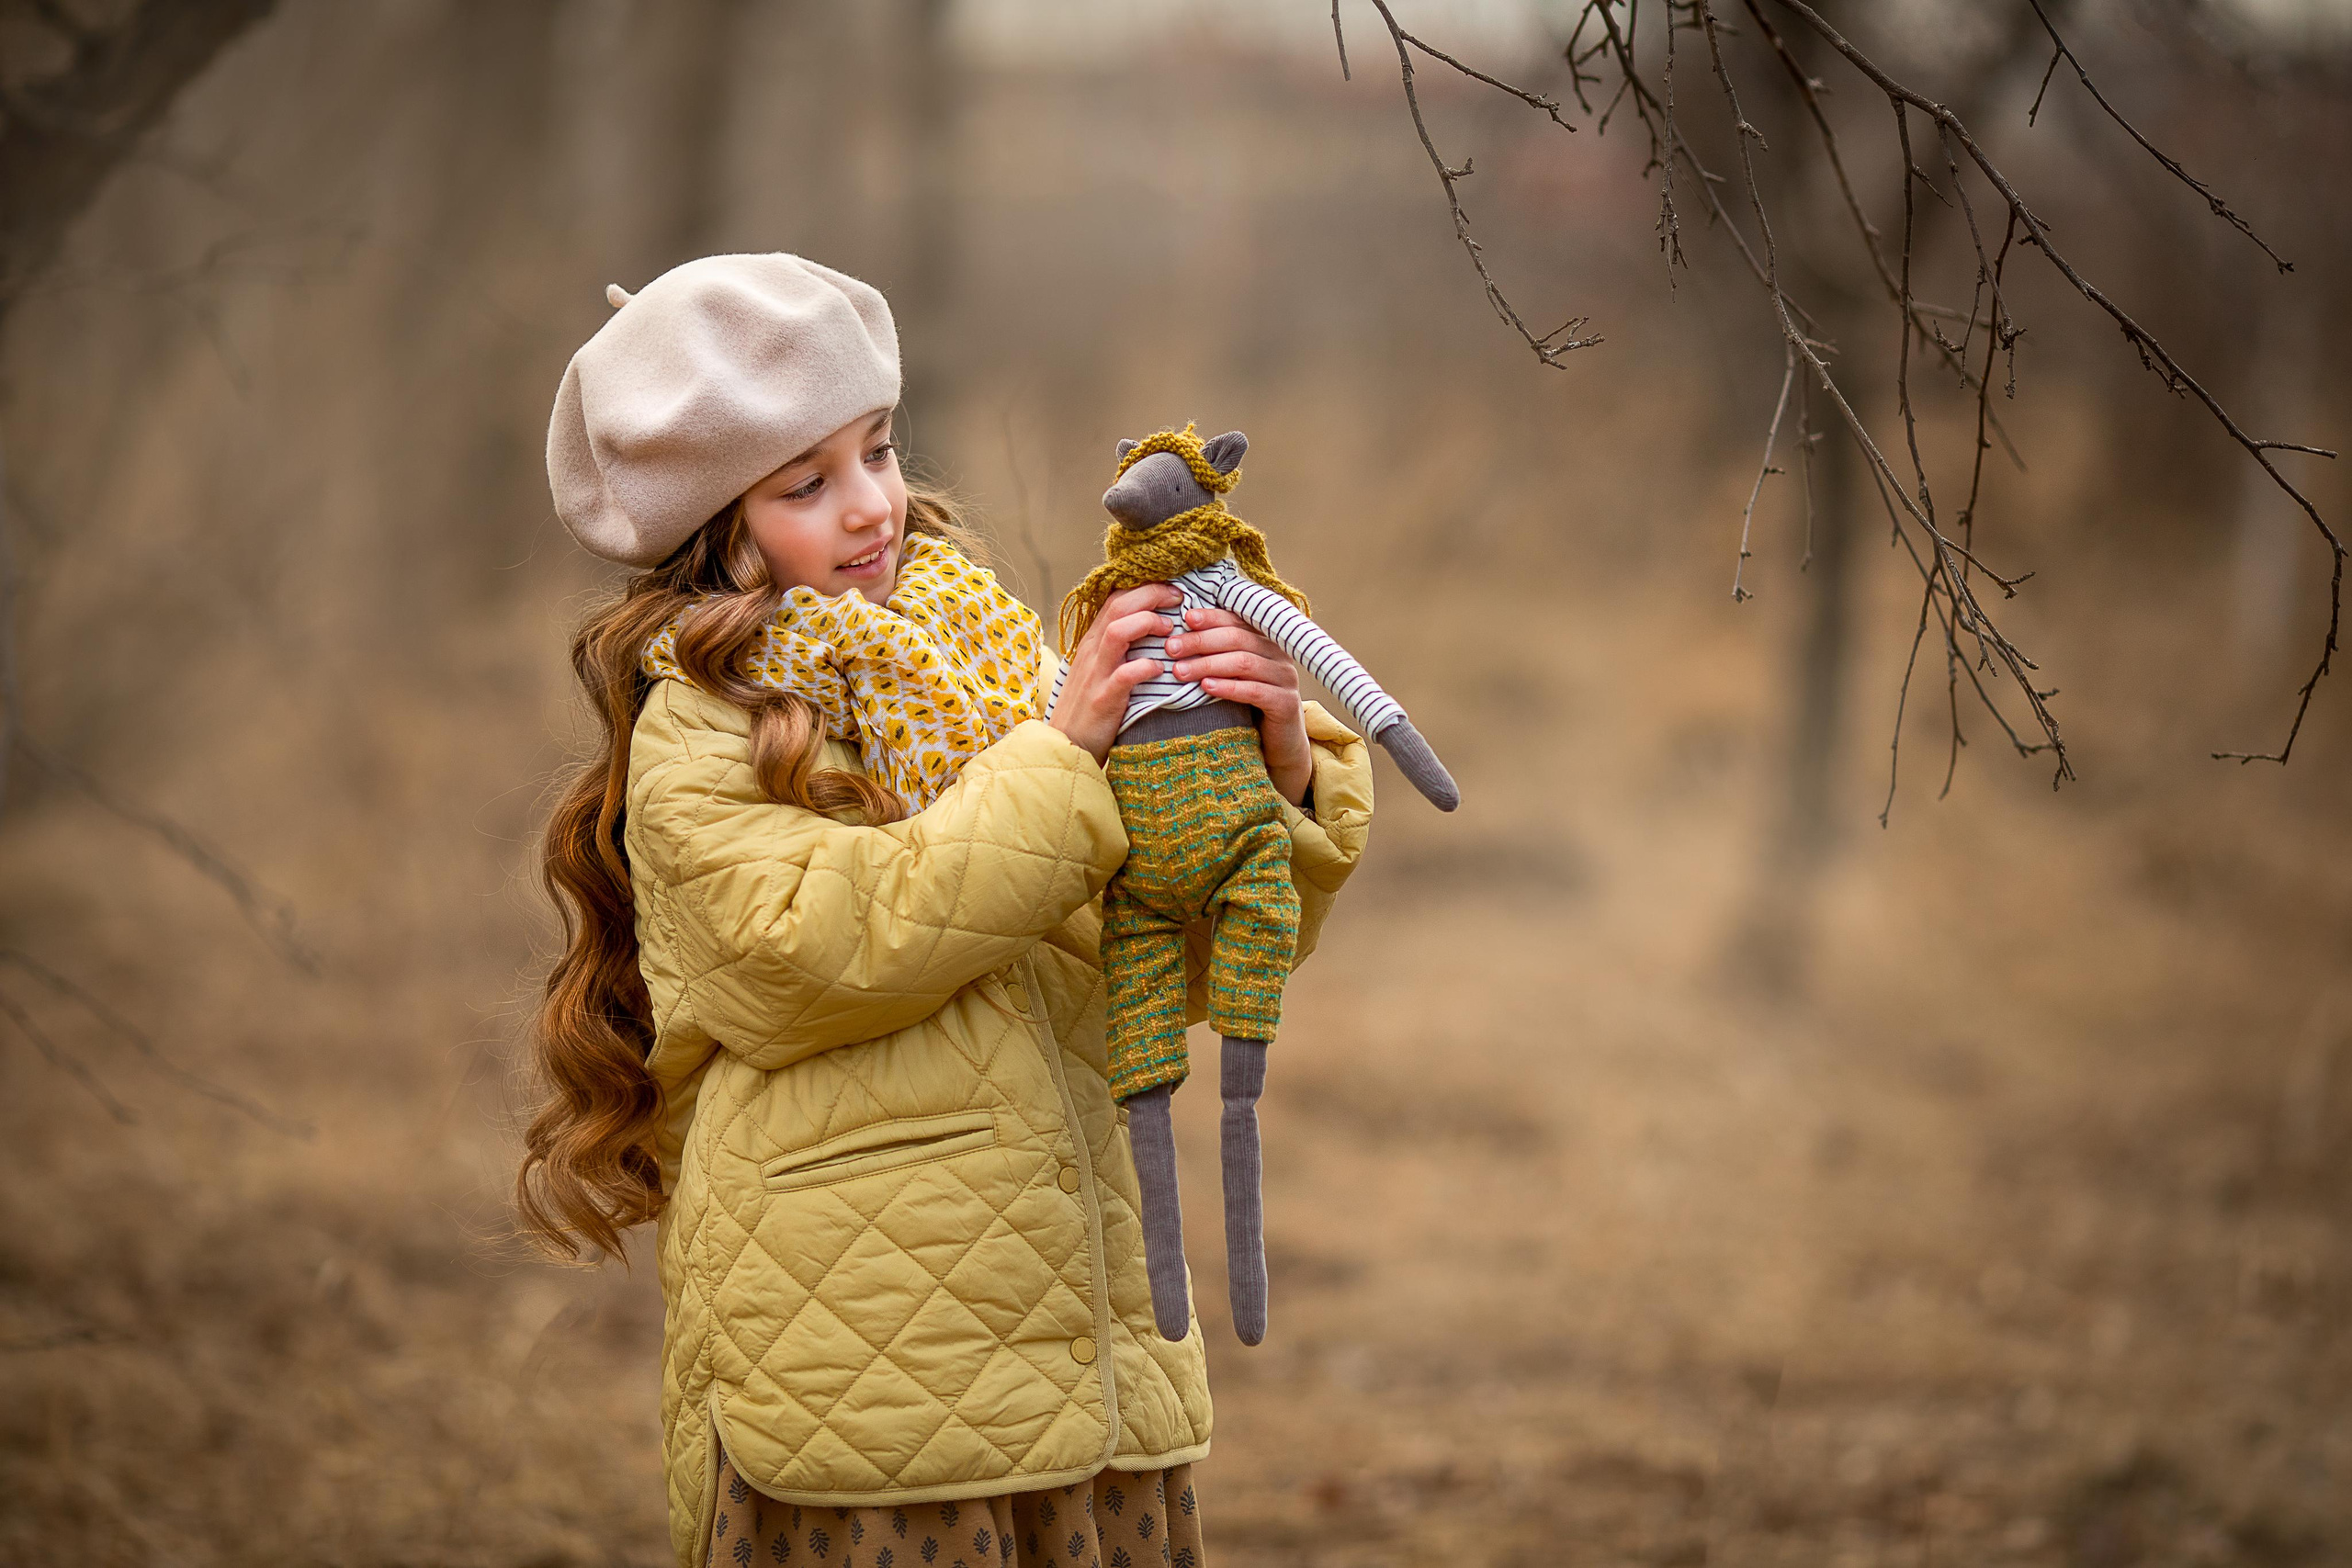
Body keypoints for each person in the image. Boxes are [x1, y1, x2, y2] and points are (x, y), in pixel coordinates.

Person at [516, 254, 1374, 1568]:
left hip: (1078, 1344)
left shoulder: (979, 655)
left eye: (877, 451)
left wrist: (1265, 765)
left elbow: (1165, 945)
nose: (871, 507)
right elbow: (838, 944)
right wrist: (1066, 751)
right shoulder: (701, 734)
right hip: (860, 1370)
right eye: (806, 485)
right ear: (710, 533)